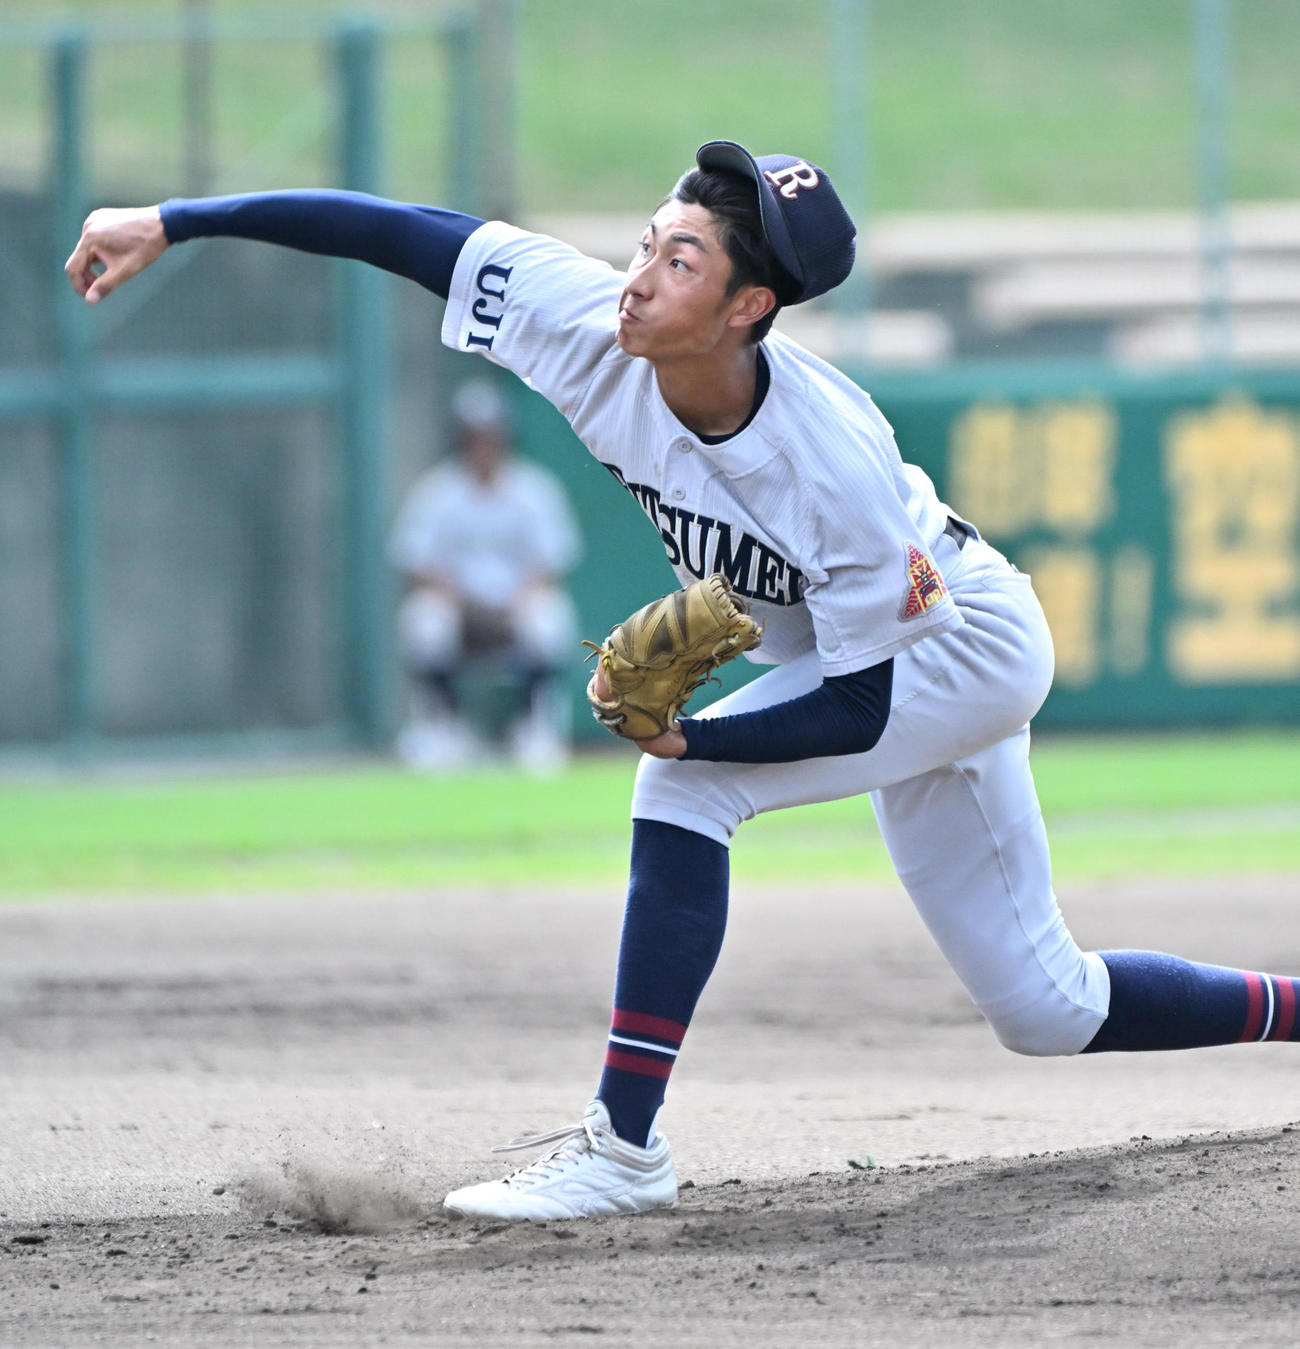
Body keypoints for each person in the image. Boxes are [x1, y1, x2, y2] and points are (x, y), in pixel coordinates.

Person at [65, 141, 1300, 1226]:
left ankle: (622, 1149)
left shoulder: (831, 463)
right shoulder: (589, 321)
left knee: (685, 797)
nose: (640, 275)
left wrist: (691, 746)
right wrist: (178, 219)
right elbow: (409, 233)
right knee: (1046, 1007)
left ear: (747, 306)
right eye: (648, 240)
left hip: (958, 648)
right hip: (860, 651)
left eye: (680, 260)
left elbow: (860, 705)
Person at [388, 376, 581, 773]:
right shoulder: (437, 491)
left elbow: (549, 565)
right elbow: (418, 565)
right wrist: (464, 605)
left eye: (491, 435)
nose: (483, 445)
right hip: (458, 608)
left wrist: (514, 604)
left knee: (549, 616)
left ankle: (537, 729)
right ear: (459, 439)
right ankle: (442, 730)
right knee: (424, 619)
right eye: (474, 436)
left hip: (515, 606)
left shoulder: (533, 489)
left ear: (506, 436)